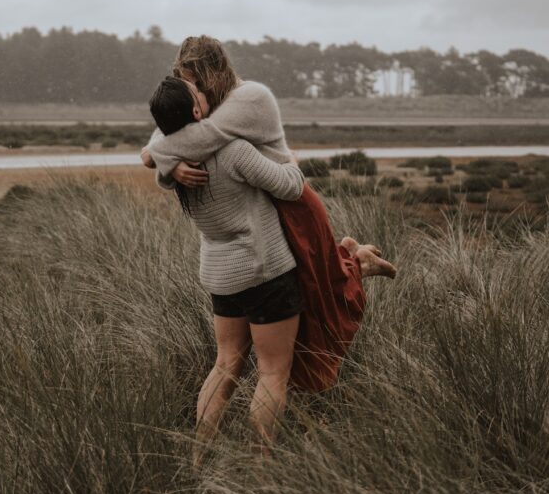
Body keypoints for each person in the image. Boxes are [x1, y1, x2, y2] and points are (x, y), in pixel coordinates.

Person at [142, 36, 395, 395]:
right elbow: (170, 131)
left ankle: (358, 261)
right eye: (186, 84)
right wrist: (168, 165)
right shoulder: (203, 107)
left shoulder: (248, 97)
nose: (193, 92)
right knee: (315, 284)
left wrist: (160, 159)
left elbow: (185, 138)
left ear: (212, 74)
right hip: (262, 203)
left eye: (196, 83)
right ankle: (357, 258)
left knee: (321, 288)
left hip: (291, 198)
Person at [148, 75, 306, 461]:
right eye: (197, 92)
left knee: (224, 367)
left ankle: (198, 459)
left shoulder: (175, 165)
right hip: (264, 271)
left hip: (221, 276)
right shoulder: (234, 151)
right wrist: (290, 162)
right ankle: (262, 466)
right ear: (198, 110)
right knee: (272, 373)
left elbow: (156, 157)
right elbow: (292, 187)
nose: (203, 90)